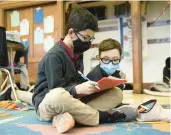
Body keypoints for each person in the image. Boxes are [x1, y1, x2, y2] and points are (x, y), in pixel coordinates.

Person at [32, 8, 138, 134]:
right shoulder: (54, 56)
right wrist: (77, 89)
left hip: (72, 102)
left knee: (116, 93)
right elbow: (55, 90)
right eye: (86, 37)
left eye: (91, 38)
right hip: (48, 104)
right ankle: (102, 116)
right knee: (57, 95)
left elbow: (76, 82)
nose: (88, 43)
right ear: (71, 33)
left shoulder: (77, 53)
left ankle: (70, 117)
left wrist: (95, 87)